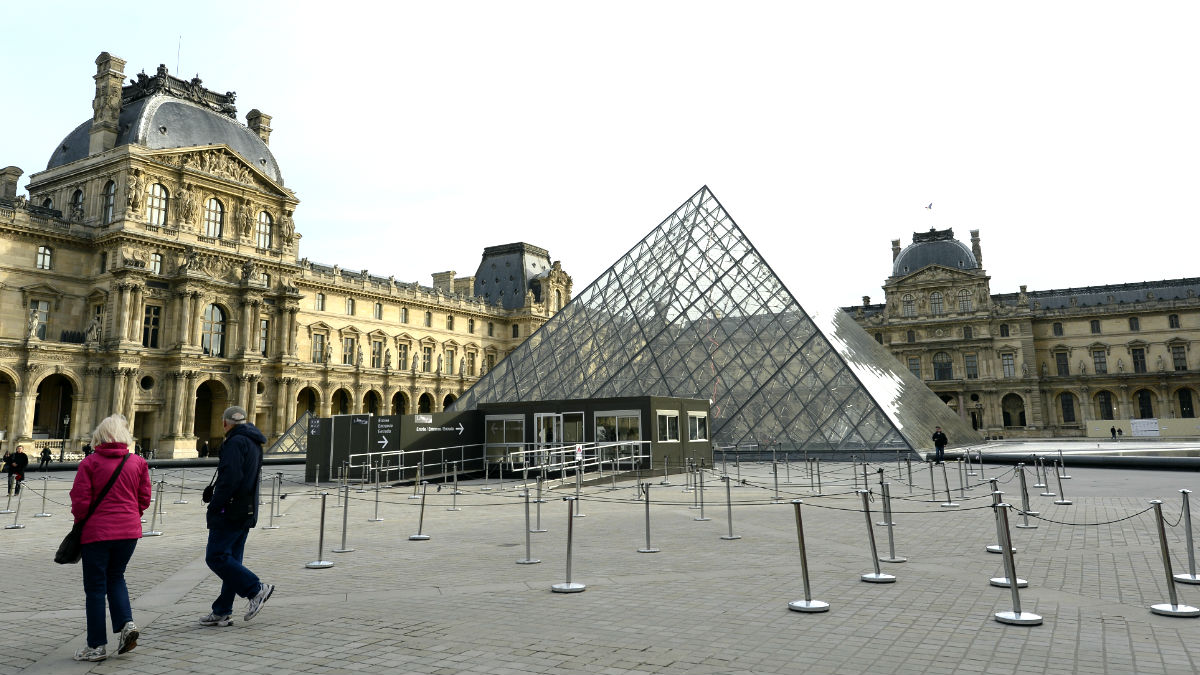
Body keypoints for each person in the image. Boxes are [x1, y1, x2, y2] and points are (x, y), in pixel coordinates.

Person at [69, 415, 151, 662]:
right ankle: (126, 624)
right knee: (116, 577)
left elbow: (80, 501)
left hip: (97, 533)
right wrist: (130, 516)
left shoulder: (90, 463)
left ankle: (96, 646)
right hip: (129, 532)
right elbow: (144, 498)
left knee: (95, 588)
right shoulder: (137, 462)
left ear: (100, 436)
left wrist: (81, 523)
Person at [202, 406, 273, 627]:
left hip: (230, 511)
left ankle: (255, 589)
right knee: (232, 560)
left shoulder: (234, 443)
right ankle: (222, 610)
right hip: (246, 509)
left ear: (225, 423)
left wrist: (215, 505)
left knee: (216, 557)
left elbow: (230, 479)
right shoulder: (254, 442)